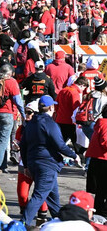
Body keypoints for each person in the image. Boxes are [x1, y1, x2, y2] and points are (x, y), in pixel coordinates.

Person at [20, 95, 80, 225]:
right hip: (47, 164)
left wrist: (26, 165)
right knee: (39, 196)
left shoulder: (31, 123)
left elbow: (23, 145)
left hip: (33, 162)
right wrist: (74, 155)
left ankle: (59, 223)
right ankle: (22, 224)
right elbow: (60, 144)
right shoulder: (49, 123)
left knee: (53, 198)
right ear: (51, 107)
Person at [0, 64, 24, 174]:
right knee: (3, 141)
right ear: (10, 73)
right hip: (7, 113)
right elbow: (18, 101)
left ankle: (3, 165)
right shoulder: (11, 82)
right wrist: (24, 115)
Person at [86, 104, 107, 217]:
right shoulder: (106, 124)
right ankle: (102, 214)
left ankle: (99, 212)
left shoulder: (101, 123)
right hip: (103, 160)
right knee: (102, 191)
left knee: (100, 191)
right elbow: (105, 141)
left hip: (97, 159)